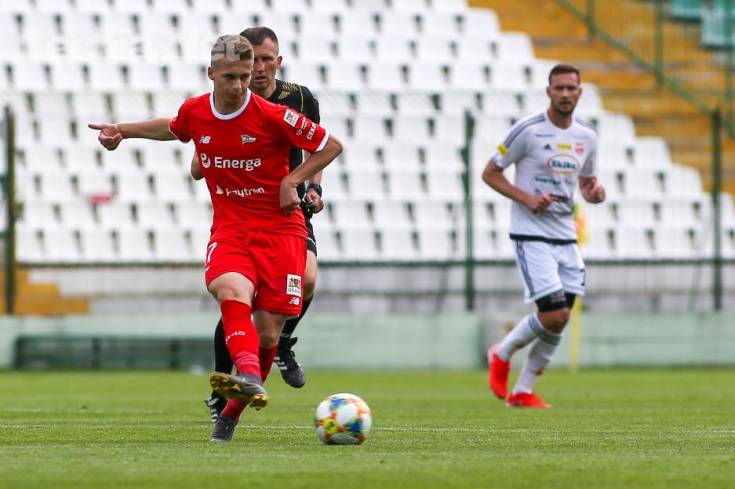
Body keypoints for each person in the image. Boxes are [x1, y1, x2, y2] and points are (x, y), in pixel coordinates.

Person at [89, 35, 343, 440]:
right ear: (211, 73)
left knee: (269, 333)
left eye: (244, 76)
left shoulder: (275, 114)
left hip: (283, 231)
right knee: (229, 289)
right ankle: (246, 373)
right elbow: (172, 128)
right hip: (232, 229)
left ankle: (229, 416)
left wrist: (292, 181)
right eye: (230, 77)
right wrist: (123, 130)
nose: (239, 85)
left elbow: (331, 145)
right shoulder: (196, 111)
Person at [195, 27, 323, 423]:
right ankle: (223, 386)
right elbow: (201, 154)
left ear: (278, 61)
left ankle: (281, 341)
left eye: (269, 59)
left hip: (288, 211)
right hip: (245, 214)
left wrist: (312, 188)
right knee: (238, 296)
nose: (262, 68)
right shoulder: (231, 97)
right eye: (257, 61)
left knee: (308, 279)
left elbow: (316, 148)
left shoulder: (299, 98)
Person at [483, 63, 605, 409]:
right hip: (531, 233)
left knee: (559, 320)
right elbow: (490, 172)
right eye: (559, 88)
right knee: (553, 314)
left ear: (580, 92)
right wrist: (526, 198)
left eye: (571, 88)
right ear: (549, 91)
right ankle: (502, 352)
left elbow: (587, 183)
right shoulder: (528, 130)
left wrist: (594, 193)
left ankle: (523, 391)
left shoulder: (587, 136)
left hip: (567, 235)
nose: (565, 94)